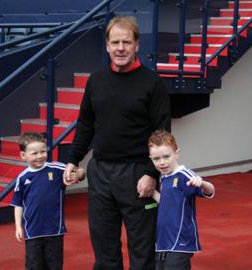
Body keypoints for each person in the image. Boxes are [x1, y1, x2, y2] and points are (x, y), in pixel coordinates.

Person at [63, 15, 171, 270]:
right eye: (115, 42)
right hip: (100, 172)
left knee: (142, 247)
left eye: (126, 42)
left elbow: (162, 133)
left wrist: (150, 173)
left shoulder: (152, 83)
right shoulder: (96, 80)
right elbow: (85, 124)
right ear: (107, 46)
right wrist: (72, 160)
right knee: (104, 245)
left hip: (137, 174)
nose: (120, 48)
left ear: (136, 46)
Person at [11, 132, 85, 270]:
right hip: (32, 232)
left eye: (43, 151)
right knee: (34, 265)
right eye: (34, 153)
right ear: (23, 155)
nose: (40, 156)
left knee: (54, 265)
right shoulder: (22, 178)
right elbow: (18, 204)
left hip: (54, 230)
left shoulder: (57, 169)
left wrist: (77, 175)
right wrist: (18, 226)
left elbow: (80, 171)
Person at [147, 130, 215, 270]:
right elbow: (166, 202)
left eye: (166, 157)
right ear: (151, 158)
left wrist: (202, 183)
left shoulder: (185, 175)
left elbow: (211, 191)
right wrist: (151, 192)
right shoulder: (165, 177)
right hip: (163, 239)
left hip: (181, 241)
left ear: (177, 154)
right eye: (156, 159)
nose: (162, 162)